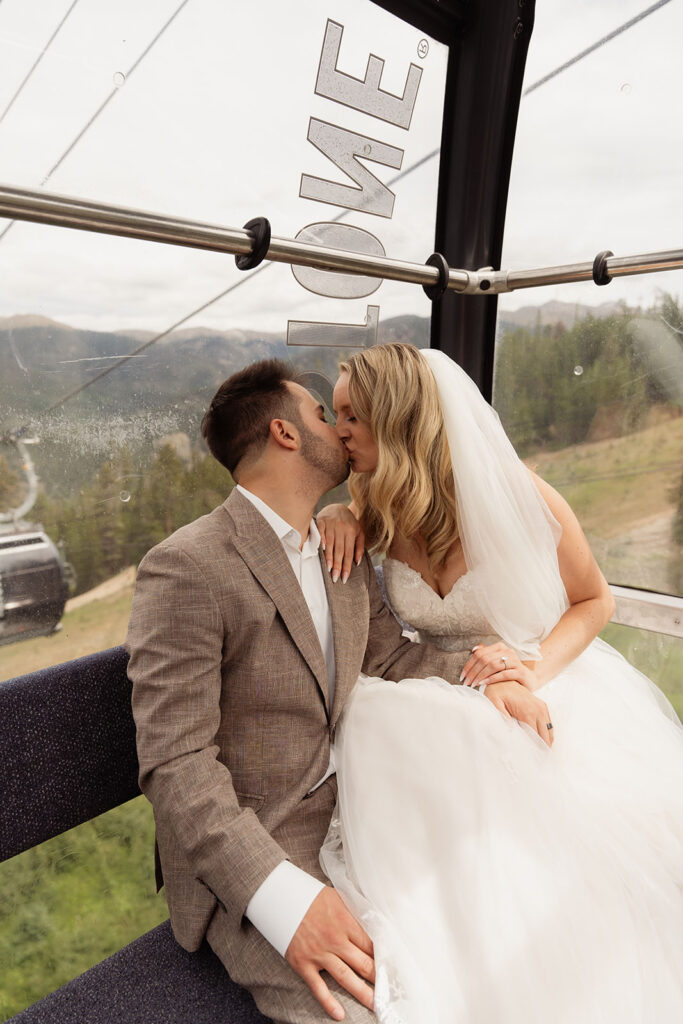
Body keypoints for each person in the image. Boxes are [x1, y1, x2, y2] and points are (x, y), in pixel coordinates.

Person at [126, 357, 551, 1024]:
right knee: (388, 1011)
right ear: (286, 434)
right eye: (326, 414)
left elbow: (391, 657)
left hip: (363, 810)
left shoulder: (336, 550)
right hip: (261, 848)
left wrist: (489, 675)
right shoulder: (188, 567)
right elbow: (175, 764)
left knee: (504, 933)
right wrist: (282, 899)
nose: (344, 430)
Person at [317, 342, 683, 1024]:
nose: (337, 430)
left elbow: (593, 601)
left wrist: (527, 671)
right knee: (379, 724)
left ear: (396, 418)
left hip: (538, 672)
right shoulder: (370, 506)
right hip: (440, 683)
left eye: (350, 416)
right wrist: (337, 513)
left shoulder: (517, 494)